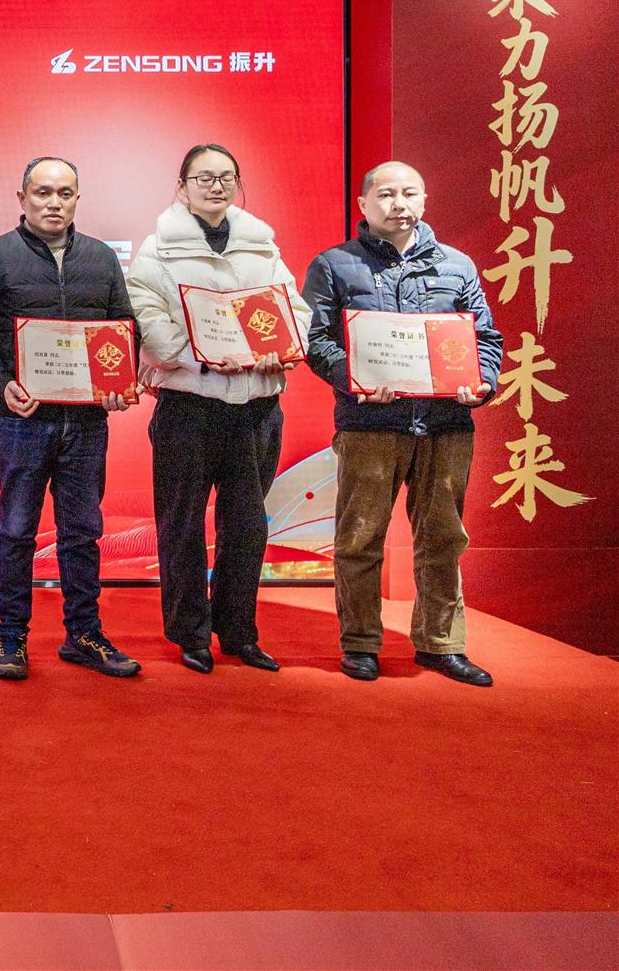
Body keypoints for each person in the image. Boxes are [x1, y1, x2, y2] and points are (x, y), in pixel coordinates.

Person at [303, 161, 502, 686]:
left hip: (446, 423)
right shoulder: (334, 265)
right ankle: (361, 642)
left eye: (409, 193)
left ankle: (441, 644)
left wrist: (481, 382)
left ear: (424, 200)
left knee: (443, 538)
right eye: (386, 194)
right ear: (364, 205)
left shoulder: (458, 266)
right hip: (370, 422)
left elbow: (485, 338)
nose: (399, 203)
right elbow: (315, 341)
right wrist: (357, 378)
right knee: (359, 537)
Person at [0, 156, 142, 682]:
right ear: (22, 199)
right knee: (16, 530)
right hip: (23, 419)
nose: (54, 203)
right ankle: (11, 639)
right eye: (42, 193)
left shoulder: (101, 258)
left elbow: (123, 328)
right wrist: (0, 383)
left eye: (64, 193)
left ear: (77, 199)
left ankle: (84, 635)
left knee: (82, 531)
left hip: (87, 423)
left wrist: (117, 383)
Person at [125, 143, 311, 674]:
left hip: (257, 405)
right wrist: (200, 356)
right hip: (189, 405)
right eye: (203, 178)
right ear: (181, 187)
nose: (216, 186)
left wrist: (283, 346)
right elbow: (147, 318)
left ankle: (239, 632)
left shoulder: (261, 244)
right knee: (182, 523)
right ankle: (190, 633)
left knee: (248, 524)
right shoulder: (157, 250)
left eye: (226, 177)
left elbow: (294, 310)